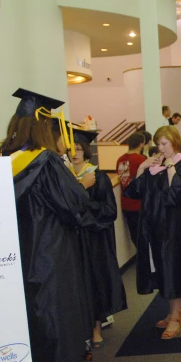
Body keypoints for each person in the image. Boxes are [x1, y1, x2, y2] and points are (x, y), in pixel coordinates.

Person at [2, 88, 98, 362]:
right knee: (53, 319)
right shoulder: (44, 163)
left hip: (10, 259)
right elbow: (73, 205)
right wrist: (82, 186)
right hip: (47, 254)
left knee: (21, 324)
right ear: (45, 128)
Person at [125, 125, 181, 340]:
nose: (161, 148)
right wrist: (142, 169)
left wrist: (171, 168)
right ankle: (173, 311)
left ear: (175, 142)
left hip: (176, 229)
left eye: (165, 144)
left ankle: (175, 316)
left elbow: (177, 194)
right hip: (154, 228)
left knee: (174, 268)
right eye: (158, 144)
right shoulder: (154, 166)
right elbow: (134, 192)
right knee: (161, 270)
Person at [72, 130, 127, 350]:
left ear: (86, 151)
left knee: (92, 282)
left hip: (92, 240)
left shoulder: (97, 176)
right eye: (70, 149)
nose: (74, 153)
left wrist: (84, 207)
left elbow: (108, 210)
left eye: (78, 148)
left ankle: (95, 328)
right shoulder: (65, 177)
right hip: (72, 240)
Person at [116, 132, 147, 242]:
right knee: (144, 237)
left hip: (126, 203)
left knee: (135, 236)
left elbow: (124, 181)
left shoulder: (120, 159)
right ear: (141, 144)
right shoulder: (141, 160)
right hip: (140, 204)